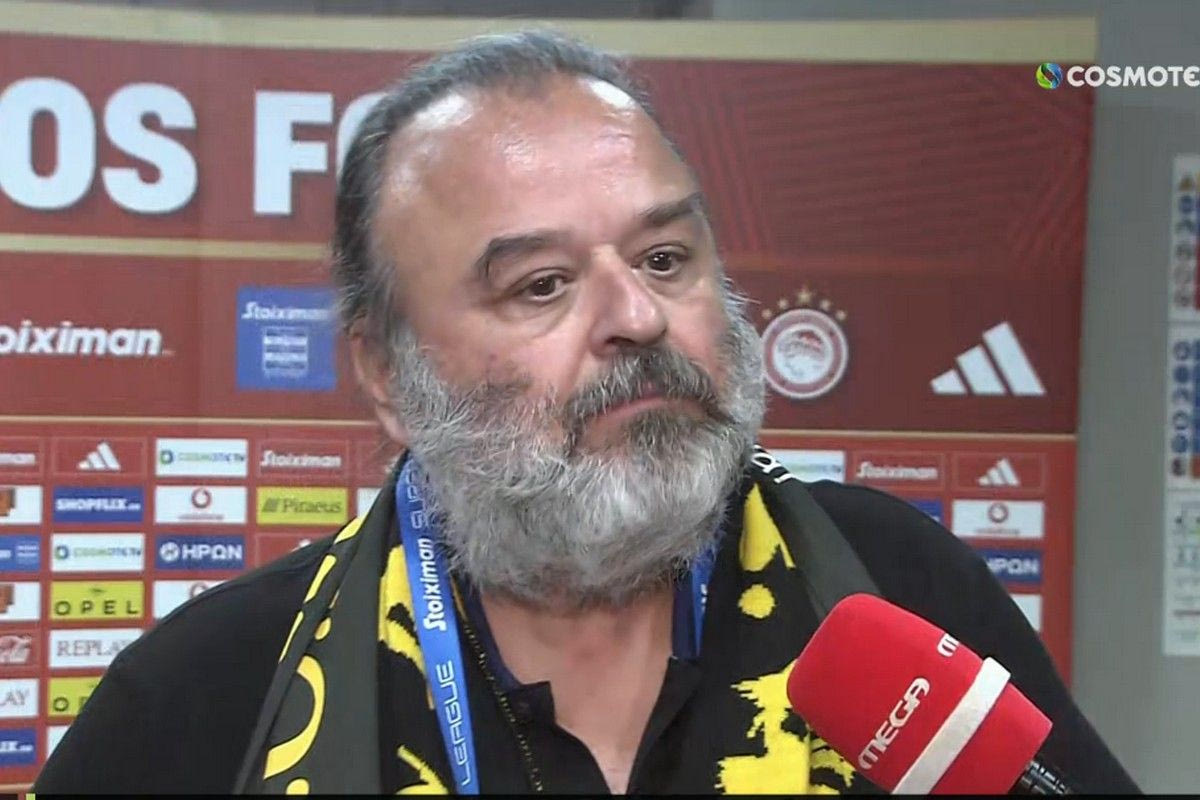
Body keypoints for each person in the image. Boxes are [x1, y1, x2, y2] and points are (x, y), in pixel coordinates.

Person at [35, 30, 1138, 795]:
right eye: (542, 285)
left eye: (665, 257)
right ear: (388, 375)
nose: (637, 316)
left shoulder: (901, 588)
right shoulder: (210, 695)